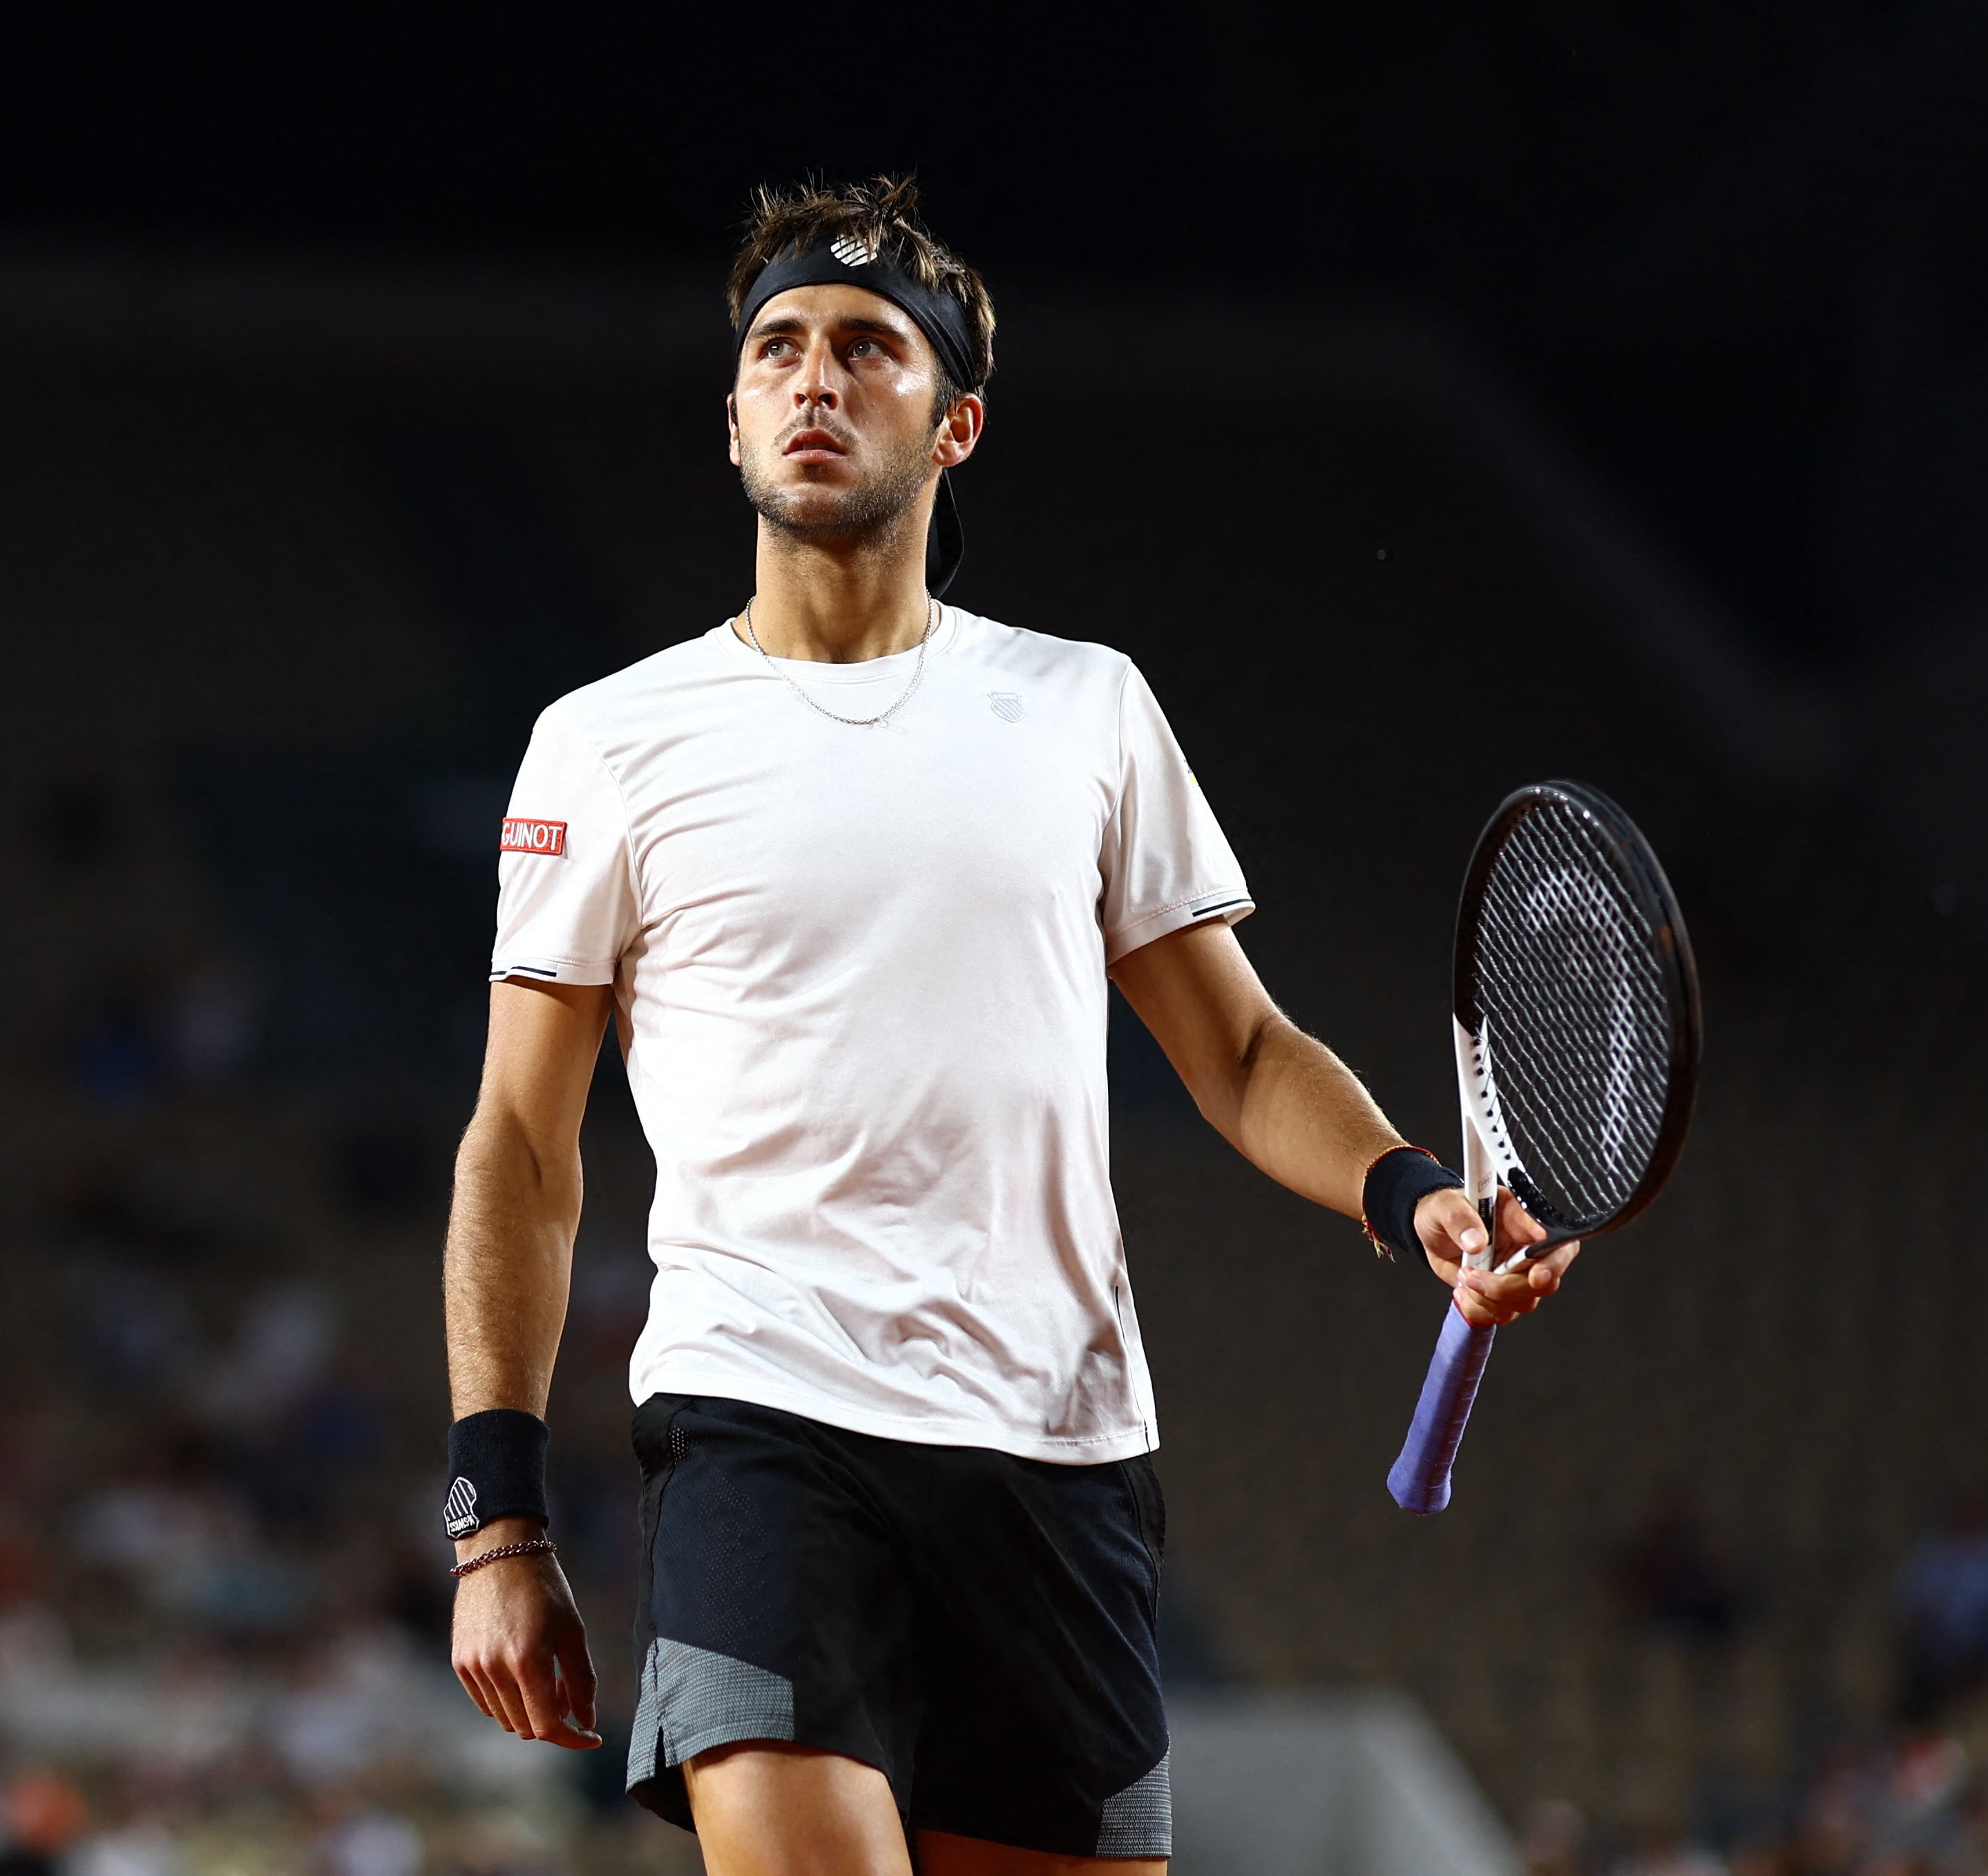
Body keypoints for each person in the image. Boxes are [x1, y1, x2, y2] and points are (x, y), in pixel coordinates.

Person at [439, 175, 1575, 1875]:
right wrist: (496, 1517)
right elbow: (523, 1144)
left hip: (1061, 1455)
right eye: (780, 349)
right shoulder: (607, 741)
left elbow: (1243, 1052)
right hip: (766, 1423)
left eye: (868, 349)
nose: (815, 379)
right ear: (735, 411)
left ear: (956, 420)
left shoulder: (1085, 705)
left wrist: (1409, 1188)